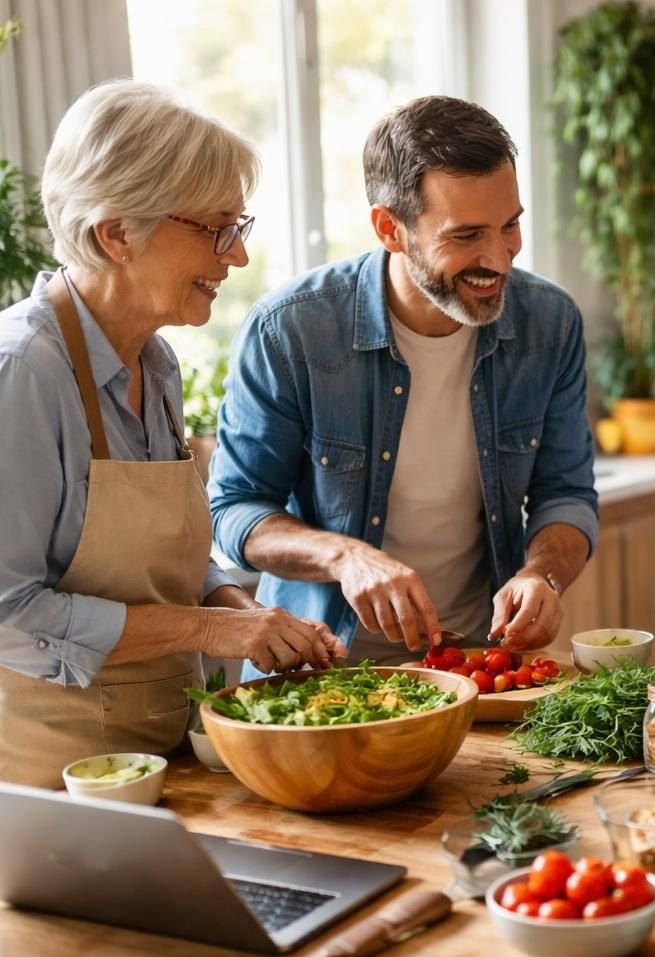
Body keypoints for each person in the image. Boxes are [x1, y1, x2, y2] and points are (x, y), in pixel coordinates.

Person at [0, 82, 343, 787]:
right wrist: (205, 630)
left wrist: (238, 606)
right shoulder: (21, 375)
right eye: (215, 229)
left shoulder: (155, 362)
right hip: (52, 788)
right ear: (116, 234)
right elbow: (9, 614)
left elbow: (161, 562)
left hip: (162, 761)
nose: (236, 258)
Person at [207, 97, 598, 672]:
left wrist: (543, 574)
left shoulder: (550, 323)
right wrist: (346, 557)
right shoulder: (290, 330)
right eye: (465, 236)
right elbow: (235, 511)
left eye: (510, 224)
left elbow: (565, 493)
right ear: (391, 228)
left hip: (477, 666)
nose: (500, 257)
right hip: (320, 673)